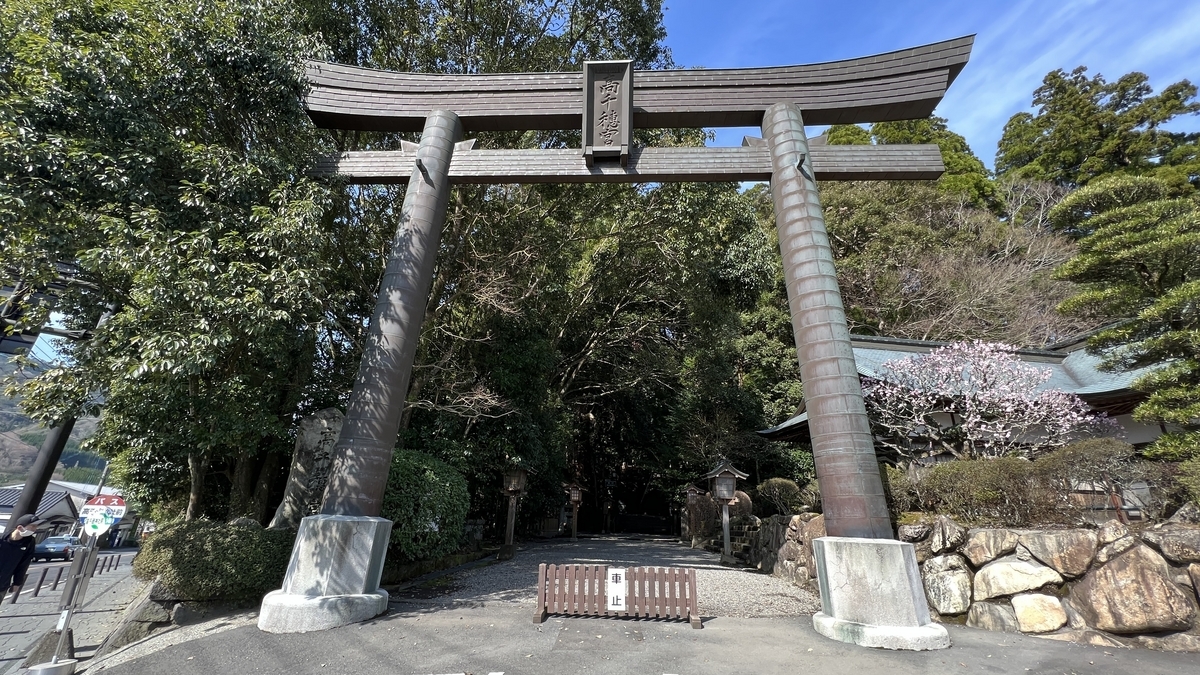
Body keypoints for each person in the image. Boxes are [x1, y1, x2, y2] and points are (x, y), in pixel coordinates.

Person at [1, 514, 44, 594]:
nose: (35, 529)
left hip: (2, 584)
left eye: (36, 526)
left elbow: (24, 563)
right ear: (20, 527)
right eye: (33, 526)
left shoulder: (29, 542)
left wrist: (17, 582)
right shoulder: (2, 540)